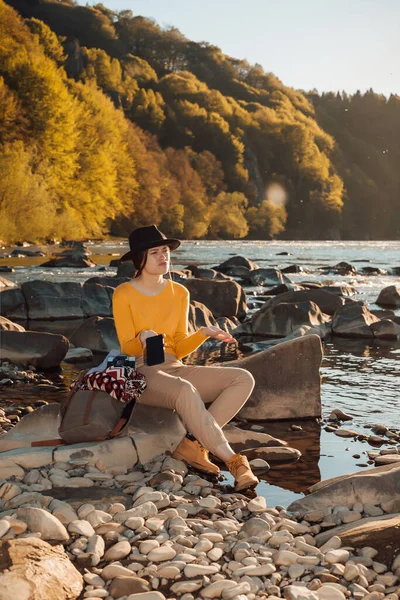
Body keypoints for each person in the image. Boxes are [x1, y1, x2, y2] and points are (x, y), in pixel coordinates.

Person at [112, 225, 259, 491]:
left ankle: (192, 445)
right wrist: (143, 338)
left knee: (242, 378)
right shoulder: (124, 293)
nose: (163, 257)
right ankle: (234, 461)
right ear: (139, 259)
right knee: (184, 389)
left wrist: (203, 333)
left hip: (175, 367)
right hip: (143, 372)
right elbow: (126, 348)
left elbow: (178, 348)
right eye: (154, 252)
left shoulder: (179, 292)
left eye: (165, 251)